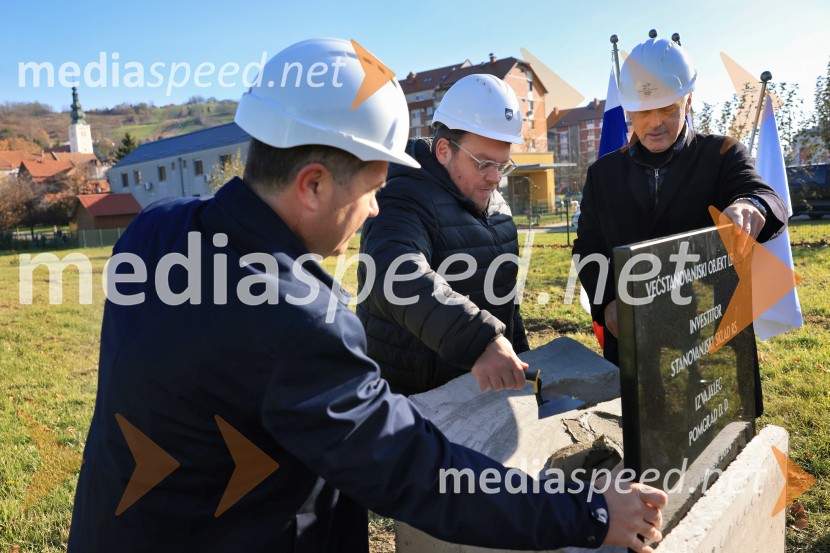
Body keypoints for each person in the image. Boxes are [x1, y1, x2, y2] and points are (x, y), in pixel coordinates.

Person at [68, 38, 667, 552]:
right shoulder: (302, 325)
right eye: (373, 189)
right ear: (312, 185)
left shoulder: (153, 231)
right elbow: (419, 473)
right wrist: (591, 513)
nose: (376, 208)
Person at [572, 37, 787, 414]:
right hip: (634, 331)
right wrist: (605, 302)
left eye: (667, 108)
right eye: (643, 111)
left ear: (688, 100)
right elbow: (588, 247)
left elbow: (767, 199)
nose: (655, 122)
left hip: (710, 329)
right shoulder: (603, 174)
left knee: (721, 430)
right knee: (645, 427)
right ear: (629, 109)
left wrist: (750, 206)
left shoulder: (722, 155)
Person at [358, 73, 531, 396]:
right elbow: (396, 274)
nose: (495, 178)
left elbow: (506, 302)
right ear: (443, 150)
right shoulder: (402, 196)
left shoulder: (498, 207)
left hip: (479, 394)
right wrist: (480, 341)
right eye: (483, 163)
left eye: (503, 165)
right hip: (414, 399)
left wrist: (522, 361)